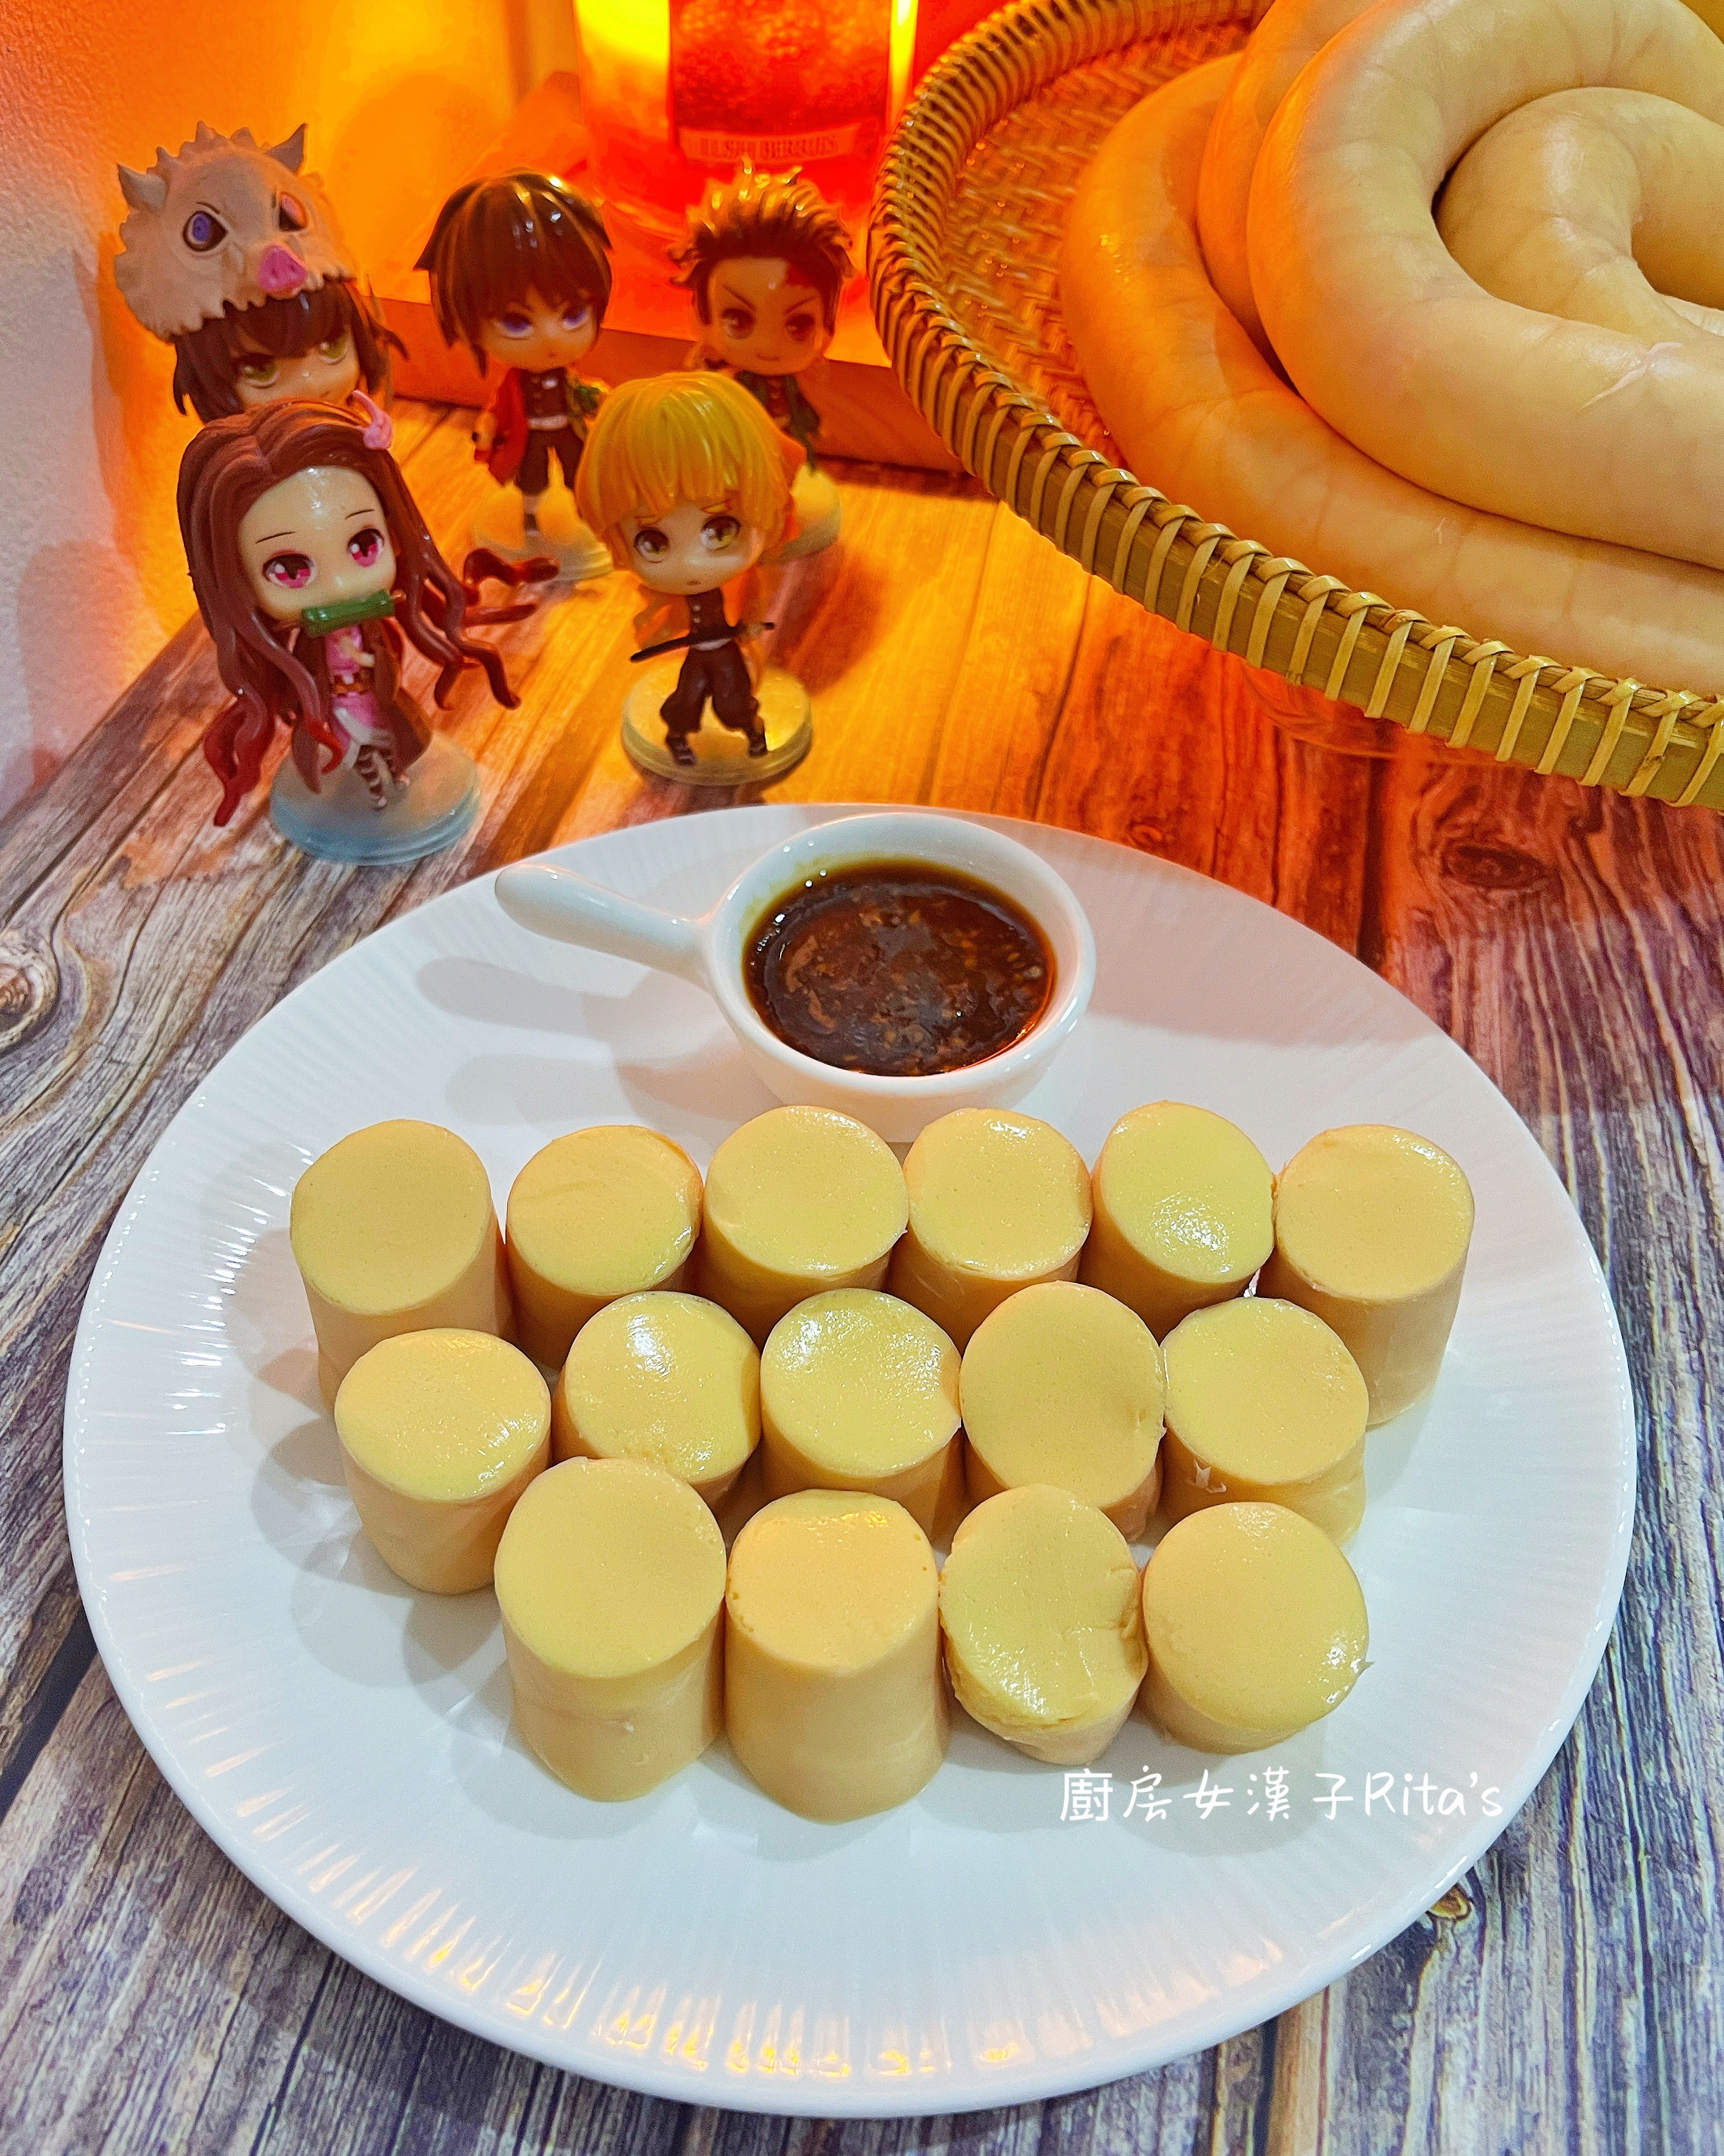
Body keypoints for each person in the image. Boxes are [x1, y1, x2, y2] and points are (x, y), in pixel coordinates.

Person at [575, 371, 801, 767]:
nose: (691, 563)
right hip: (699, 654)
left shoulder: (744, 581)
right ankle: (678, 737)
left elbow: (754, 601)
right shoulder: (668, 595)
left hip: (727, 651)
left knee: (734, 699)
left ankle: (753, 731)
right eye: (653, 543)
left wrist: (749, 627)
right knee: (688, 697)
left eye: (720, 532)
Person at [417, 171, 613, 568]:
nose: (551, 338)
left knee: (579, 472)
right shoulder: (514, 384)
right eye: (517, 322)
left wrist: (605, 402)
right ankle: (531, 518)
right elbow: (496, 408)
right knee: (531, 477)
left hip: (569, 428)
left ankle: (587, 513)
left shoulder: (568, 379)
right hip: (530, 434)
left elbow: (589, 394)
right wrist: (486, 428)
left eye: (573, 314)